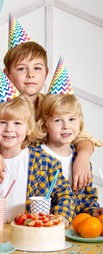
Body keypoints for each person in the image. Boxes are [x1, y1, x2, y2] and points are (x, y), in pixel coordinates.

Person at [0, 15, 100, 191]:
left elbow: (82, 137)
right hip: (9, 179)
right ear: (7, 74)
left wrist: (83, 157)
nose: (30, 74)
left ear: (46, 73)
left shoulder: (52, 103)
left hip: (48, 183)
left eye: (37, 68)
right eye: (22, 68)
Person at [0, 63, 75, 225]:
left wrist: (61, 218)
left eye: (17, 123)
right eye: (2, 122)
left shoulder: (46, 163)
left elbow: (65, 195)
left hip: (32, 238)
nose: (9, 129)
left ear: (29, 128)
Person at [36, 56, 102, 217]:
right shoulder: (36, 157)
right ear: (45, 124)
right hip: (47, 226)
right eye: (58, 120)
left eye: (72, 119)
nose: (66, 126)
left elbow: (86, 198)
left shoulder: (80, 159)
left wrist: (94, 210)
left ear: (79, 122)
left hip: (76, 228)